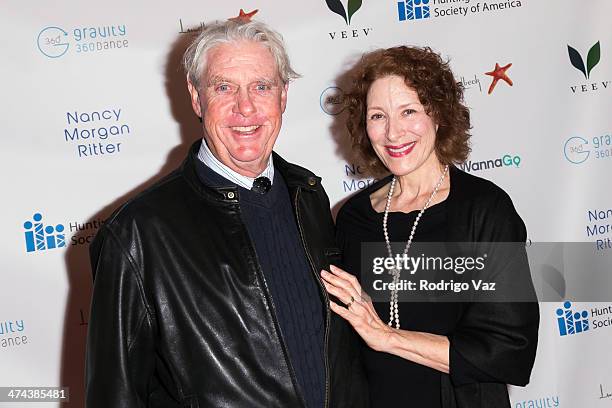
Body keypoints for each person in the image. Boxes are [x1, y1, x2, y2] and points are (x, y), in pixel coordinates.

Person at [85, 19, 367, 408]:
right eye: (223, 88)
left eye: (261, 87)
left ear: (283, 96)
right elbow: (114, 395)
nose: (245, 107)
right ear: (196, 98)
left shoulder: (309, 197)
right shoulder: (137, 234)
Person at [320, 46, 539, 408]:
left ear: (437, 114)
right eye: (378, 116)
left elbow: (509, 351)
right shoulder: (354, 216)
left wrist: (387, 337)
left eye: (408, 111)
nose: (393, 132)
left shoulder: (484, 210)